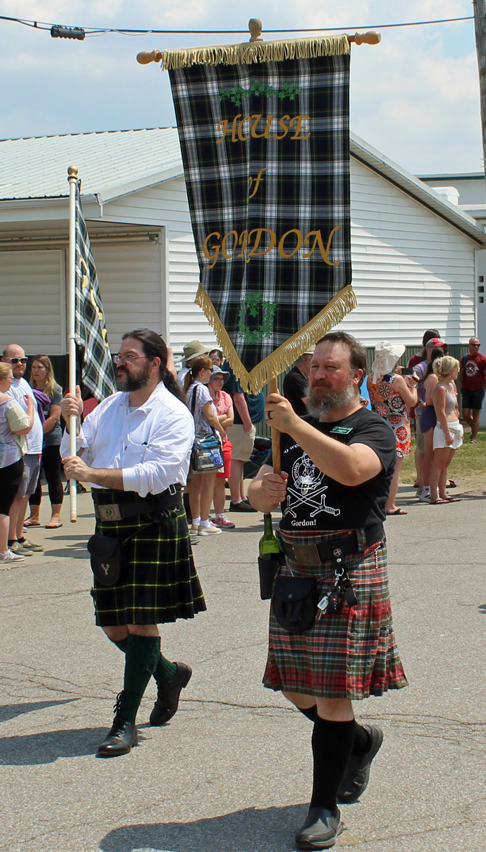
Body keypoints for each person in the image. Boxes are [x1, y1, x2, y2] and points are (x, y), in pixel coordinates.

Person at [248, 331, 407, 851]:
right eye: (314, 366)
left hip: (348, 569)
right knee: (295, 686)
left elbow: (352, 468)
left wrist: (294, 424)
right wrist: (259, 493)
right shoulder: (292, 430)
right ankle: (359, 742)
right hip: (296, 571)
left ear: (356, 375)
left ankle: (323, 808)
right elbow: (253, 490)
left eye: (330, 367)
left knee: (334, 695)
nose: (317, 374)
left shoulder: (372, 427)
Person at [60, 329, 206, 757]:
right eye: (118, 356)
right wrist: (68, 424)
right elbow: (76, 459)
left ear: (154, 363)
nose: (120, 362)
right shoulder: (105, 408)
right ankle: (168, 672)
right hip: (110, 531)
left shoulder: (172, 414)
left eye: (129, 356)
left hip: (152, 525)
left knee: (142, 622)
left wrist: (92, 475)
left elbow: (157, 475)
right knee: (112, 625)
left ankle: (125, 721)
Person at [0, 362, 33, 564]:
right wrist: (30, 407)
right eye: (9, 377)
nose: (12, 381)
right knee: (2, 507)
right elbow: (23, 427)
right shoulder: (6, 401)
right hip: (7, 458)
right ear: (1, 379)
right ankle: (3, 551)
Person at [1, 344, 45, 556]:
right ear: (4, 362)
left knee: (26, 494)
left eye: (23, 360)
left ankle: (19, 536)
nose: (20, 364)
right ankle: (10, 540)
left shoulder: (25, 383)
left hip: (34, 449)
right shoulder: (7, 388)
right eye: (14, 360)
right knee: (17, 496)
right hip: (21, 449)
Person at [367, 341, 418, 516]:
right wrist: (412, 384)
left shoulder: (370, 378)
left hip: (377, 424)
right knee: (394, 469)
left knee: (378, 467)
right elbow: (412, 402)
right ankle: (390, 504)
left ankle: (378, 502)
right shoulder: (397, 380)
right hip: (397, 427)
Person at [184, 355, 226, 536]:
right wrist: (221, 430)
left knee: (195, 484)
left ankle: (195, 521)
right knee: (208, 482)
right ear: (202, 371)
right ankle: (204, 521)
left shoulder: (188, 388)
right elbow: (209, 415)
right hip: (206, 440)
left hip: (193, 439)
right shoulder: (201, 389)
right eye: (210, 370)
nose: (211, 373)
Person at [25, 355, 64, 529]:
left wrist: (38, 433)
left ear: (48, 369)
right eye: (33, 367)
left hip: (50, 440)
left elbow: (55, 416)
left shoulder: (55, 389)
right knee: (34, 477)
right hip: (30, 441)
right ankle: (34, 515)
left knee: (53, 476)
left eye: (40, 367)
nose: (36, 371)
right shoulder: (27, 388)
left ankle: (56, 515)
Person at [222, 362, 265, 512]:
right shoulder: (234, 367)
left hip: (242, 423)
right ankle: (236, 500)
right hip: (240, 423)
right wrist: (247, 422)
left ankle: (241, 497)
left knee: (240, 461)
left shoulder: (237, 366)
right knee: (236, 460)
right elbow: (238, 397)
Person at [429, 356, 463, 504]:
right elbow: (441, 412)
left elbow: (455, 407)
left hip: (455, 425)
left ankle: (443, 493)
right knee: (438, 463)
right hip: (445, 428)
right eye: (456, 370)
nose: (458, 372)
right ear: (451, 370)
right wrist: (447, 432)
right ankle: (433, 495)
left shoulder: (451, 385)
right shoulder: (440, 388)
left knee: (446, 463)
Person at [207, 364, 235, 528]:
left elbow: (230, 420)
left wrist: (217, 419)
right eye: (216, 378)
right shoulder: (205, 395)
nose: (220, 382)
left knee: (221, 480)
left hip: (224, 442)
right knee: (207, 481)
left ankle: (220, 515)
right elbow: (206, 419)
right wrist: (220, 418)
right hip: (209, 443)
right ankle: (203, 517)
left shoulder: (225, 396)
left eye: (222, 379)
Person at [418, 347, 445, 502]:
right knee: (429, 454)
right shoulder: (433, 378)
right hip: (430, 415)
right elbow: (428, 400)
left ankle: (429, 487)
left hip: (434, 415)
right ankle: (425, 487)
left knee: (434, 454)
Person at [460, 337, 486, 444]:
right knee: (465, 413)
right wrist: (462, 384)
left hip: (478, 390)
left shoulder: (482, 359)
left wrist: (482, 389)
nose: (476, 347)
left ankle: (473, 437)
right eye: (474, 345)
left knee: (476, 413)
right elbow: (462, 372)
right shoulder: (465, 358)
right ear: (469, 345)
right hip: (466, 389)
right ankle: (474, 427)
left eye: (478, 345)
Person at [282, 349, 315, 416]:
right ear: (306, 359)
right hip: (300, 421)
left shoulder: (300, 376)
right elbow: (311, 404)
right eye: (313, 360)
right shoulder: (295, 377)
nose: (315, 364)